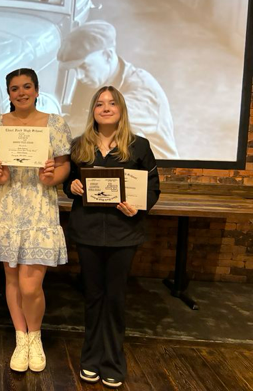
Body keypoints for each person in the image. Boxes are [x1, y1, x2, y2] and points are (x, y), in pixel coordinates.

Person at [63, 86, 160, 389]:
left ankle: (113, 361)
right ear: (93, 110)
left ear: (121, 110)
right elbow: (68, 183)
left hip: (123, 234)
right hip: (88, 232)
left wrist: (138, 205)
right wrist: (72, 188)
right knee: (93, 297)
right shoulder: (79, 146)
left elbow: (152, 188)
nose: (106, 108)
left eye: (112, 103)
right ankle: (90, 359)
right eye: (100, 104)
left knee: (115, 298)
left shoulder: (139, 146)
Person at [0, 68, 72, 373]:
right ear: (8, 94)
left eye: (26, 87)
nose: (21, 93)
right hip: (7, 207)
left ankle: (36, 336)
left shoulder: (54, 123)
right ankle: (21, 337)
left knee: (30, 285)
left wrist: (52, 177)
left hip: (39, 208)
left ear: (36, 90)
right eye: (15, 89)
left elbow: (63, 165)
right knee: (11, 279)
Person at [57, 20, 178, 159]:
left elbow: (102, 124)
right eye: (75, 69)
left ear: (107, 56)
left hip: (158, 174)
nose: (79, 76)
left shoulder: (143, 90)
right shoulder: (97, 81)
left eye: (84, 67)